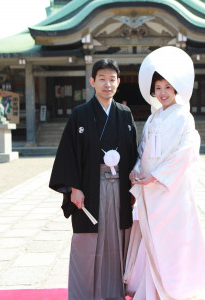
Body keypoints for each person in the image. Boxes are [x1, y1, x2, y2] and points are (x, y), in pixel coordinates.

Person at [124, 47, 205, 300]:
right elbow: (143, 149)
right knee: (152, 242)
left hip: (171, 192)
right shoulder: (153, 119)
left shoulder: (184, 117)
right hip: (150, 192)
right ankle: (151, 290)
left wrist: (158, 175)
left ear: (176, 89)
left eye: (167, 87)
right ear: (153, 91)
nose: (162, 93)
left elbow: (186, 150)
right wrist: (137, 171)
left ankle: (176, 289)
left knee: (172, 243)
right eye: (158, 88)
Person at [49, 59, 138, 300]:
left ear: (118, 83)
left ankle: (112, 293)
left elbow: (132, 154)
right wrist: (73, 188)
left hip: (119, 188)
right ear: (92, 82)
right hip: (89, 187)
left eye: (112, 79)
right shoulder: (80, 115)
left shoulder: (125, 114)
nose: (107, 84)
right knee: (87, 243)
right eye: (102, 79)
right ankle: (83, 295)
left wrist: (133, 189)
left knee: (115, 242)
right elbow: (69, 153)